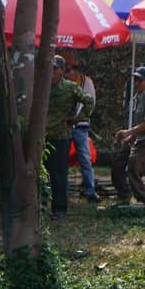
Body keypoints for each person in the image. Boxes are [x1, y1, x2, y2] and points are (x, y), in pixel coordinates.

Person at [111, 67, 145, 208]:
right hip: (138, 138)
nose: (136, 83)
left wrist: (128, 132)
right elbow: (138, 123)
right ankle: (124, 194)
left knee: (133, 167)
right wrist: (130, 137)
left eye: (140, 80)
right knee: (117, 163)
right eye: (135, 80)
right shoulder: (137, 97)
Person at [44, 55, 85, 219]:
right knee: (42, 173)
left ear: (61, 70)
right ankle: (41, 205)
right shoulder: (43, 86)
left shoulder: (69, 88)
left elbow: (88, 101)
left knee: (59, 174)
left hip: (61, 136)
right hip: (44, 136)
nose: (52, 71)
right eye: (50, 68)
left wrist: (77, 119)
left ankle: (59, 208)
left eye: (55, 68)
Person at [67, 59, 99, 202]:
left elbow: (90, 104)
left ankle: (90, 191)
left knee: (85, 160)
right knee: (62, 159)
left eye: (71, 69)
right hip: (64, 127)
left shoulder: (87, 83)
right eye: (66, 69)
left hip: (80, 127)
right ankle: (64, 190)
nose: (69, 72)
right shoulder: (62, 84)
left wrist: (77, 118)